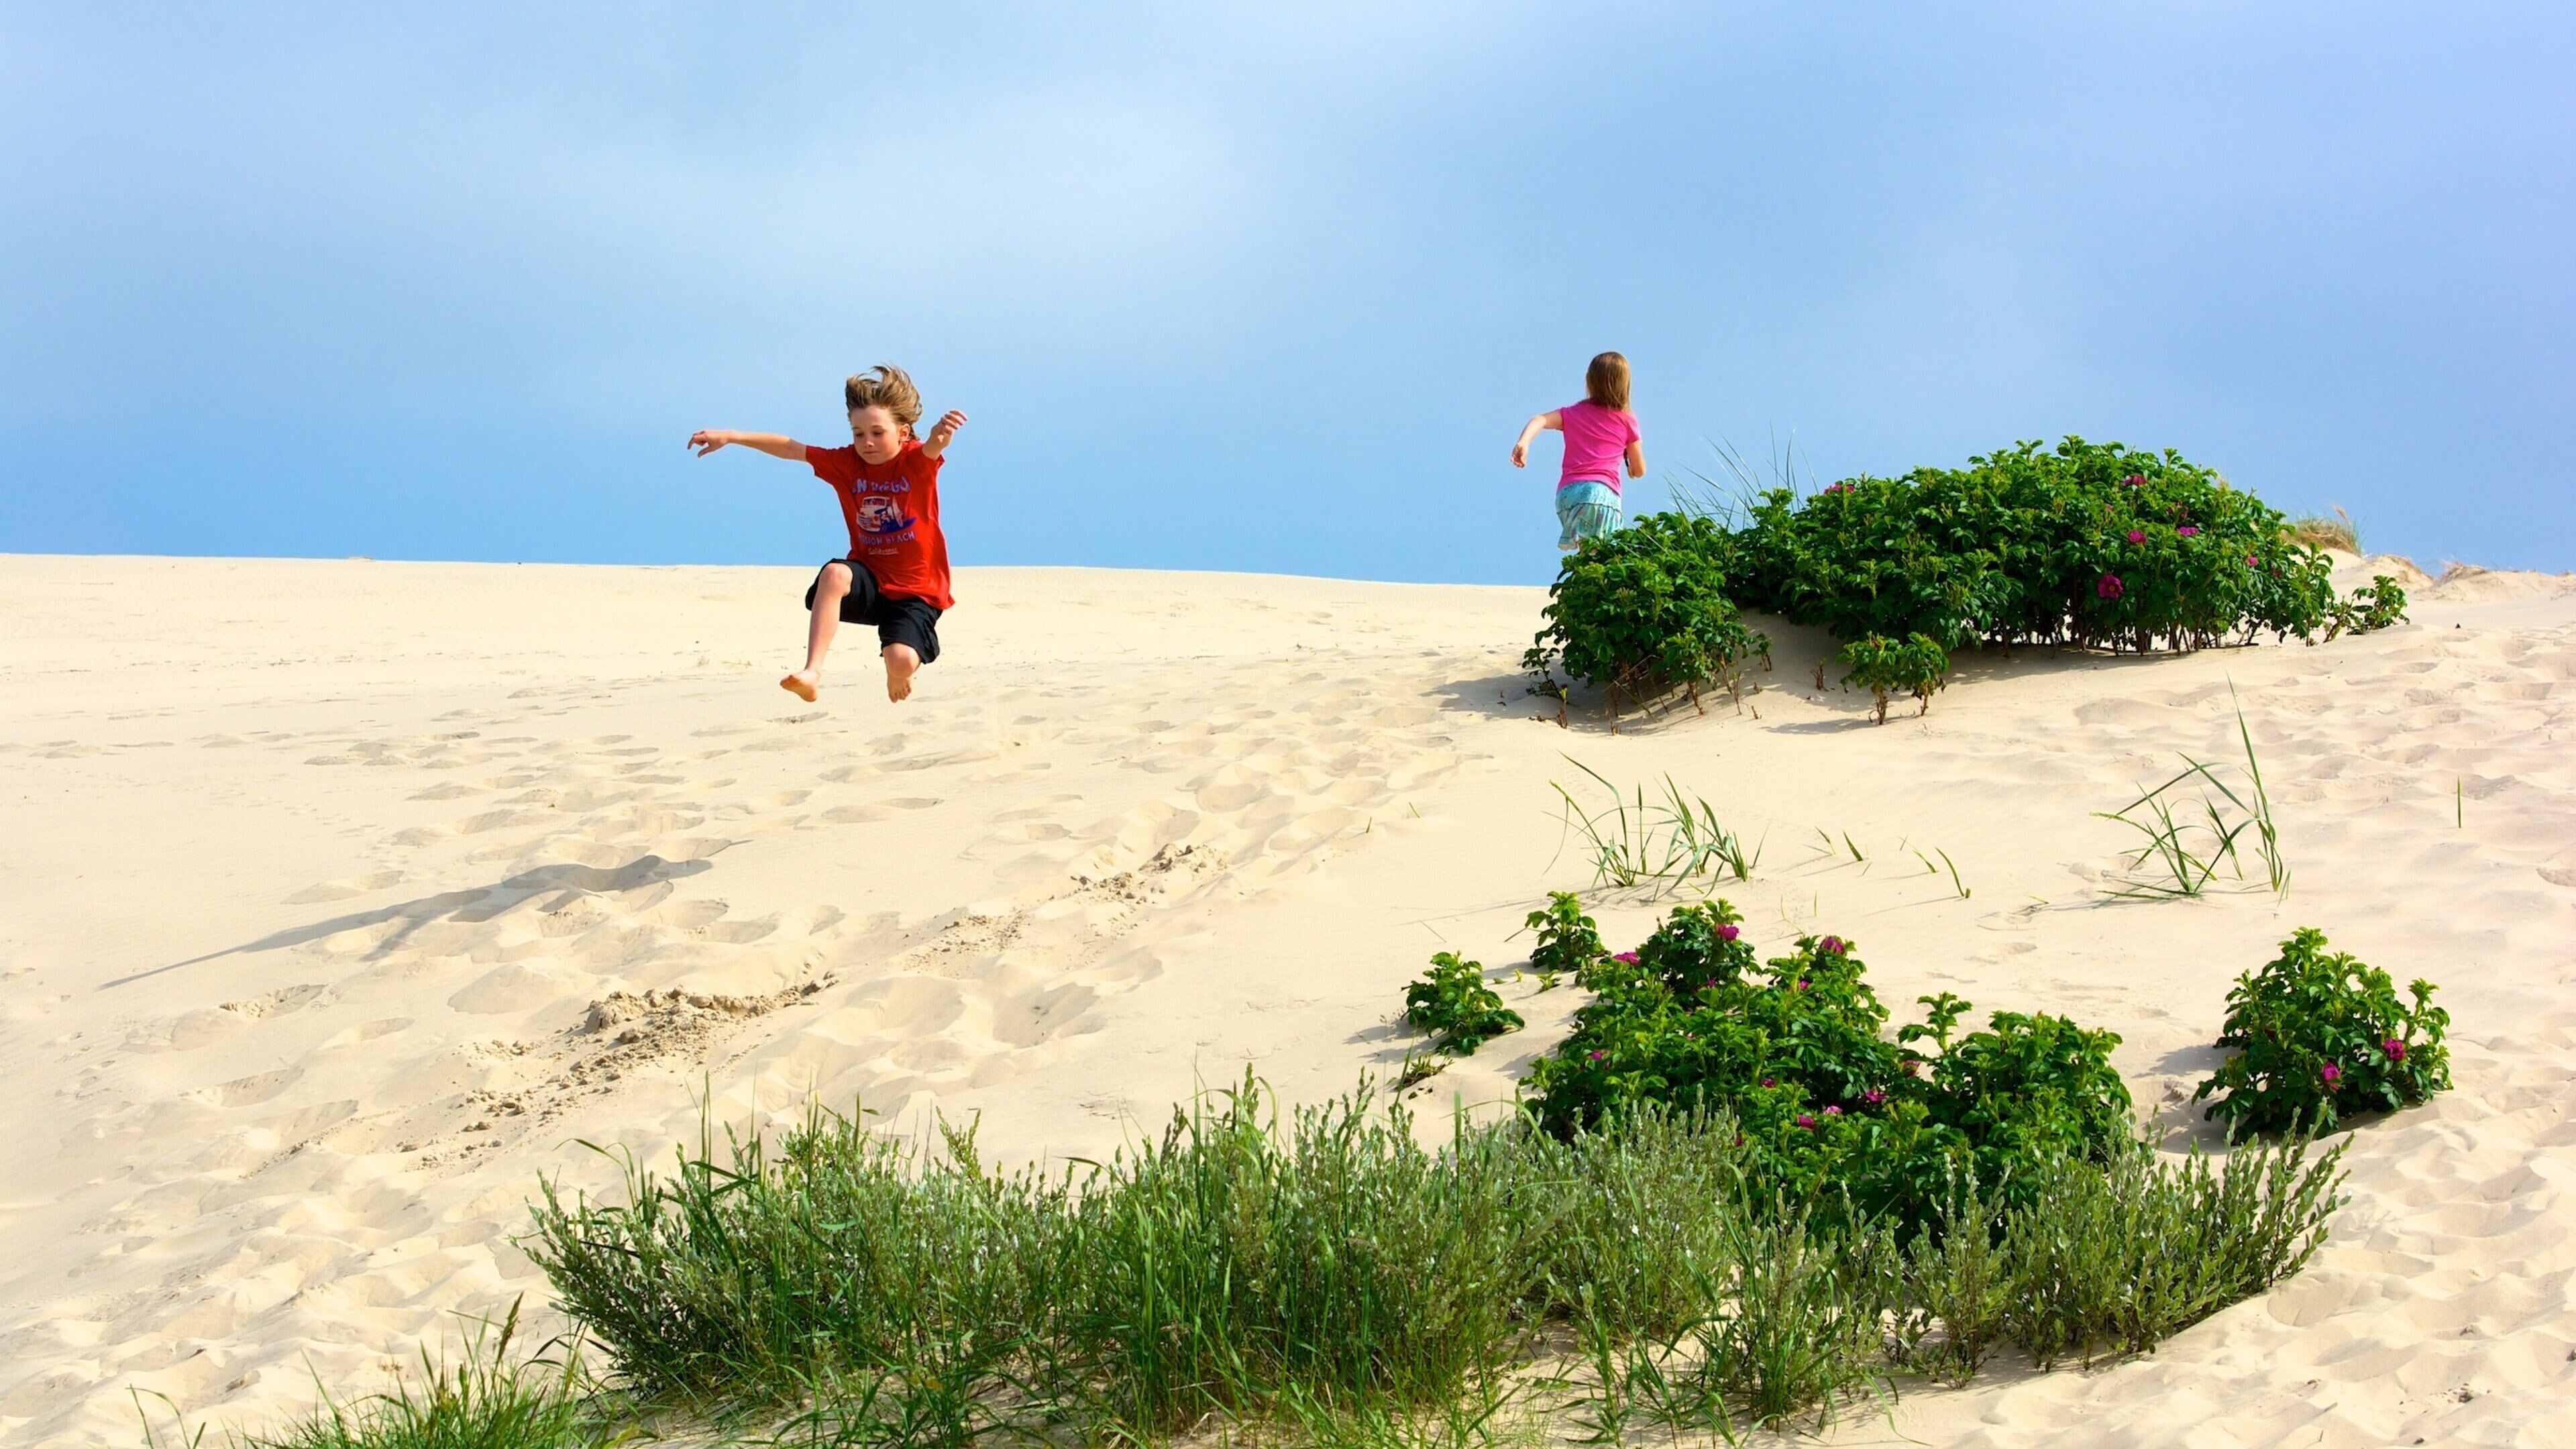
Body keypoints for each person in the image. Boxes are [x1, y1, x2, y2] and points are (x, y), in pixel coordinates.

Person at [689, 365, 965, 702]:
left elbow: (932, 450)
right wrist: (731, 436)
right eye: (858, 433)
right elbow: (792, 448)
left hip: (917, 592)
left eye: (878, 433)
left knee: (902, 661)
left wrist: (939, 439)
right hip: (872, 581)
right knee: (835, 573)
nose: (867, 442)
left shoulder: (914, 461)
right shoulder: (847, 463)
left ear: (903, 432)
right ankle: (812, 672)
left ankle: (896, 670)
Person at [1509, 352, 1644, 550]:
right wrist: (1631, 469)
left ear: (1589, 380)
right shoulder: (1627, 419)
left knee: (1587, 552)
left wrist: (1524, 442)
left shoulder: (1572, 413)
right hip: (1601, 493)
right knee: (1605, 556)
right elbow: (1639, 469)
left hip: (1568, 495)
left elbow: (1540, 419)